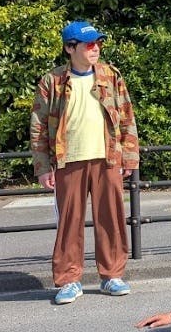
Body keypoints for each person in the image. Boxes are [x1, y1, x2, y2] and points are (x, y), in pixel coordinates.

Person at [30, 21, 140, 305]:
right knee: (69, 223)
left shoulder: (110, 75)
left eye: (98, 43)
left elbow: (126, 115)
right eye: (89, 44)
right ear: (70, 48)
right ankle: (69, 280)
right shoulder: (52, 81)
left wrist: (129, 155)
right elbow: (38, 126)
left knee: (111, 218)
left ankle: (112, 276)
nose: (96, 49)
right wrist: (42, 167)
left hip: (107, 158)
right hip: (67, 160)